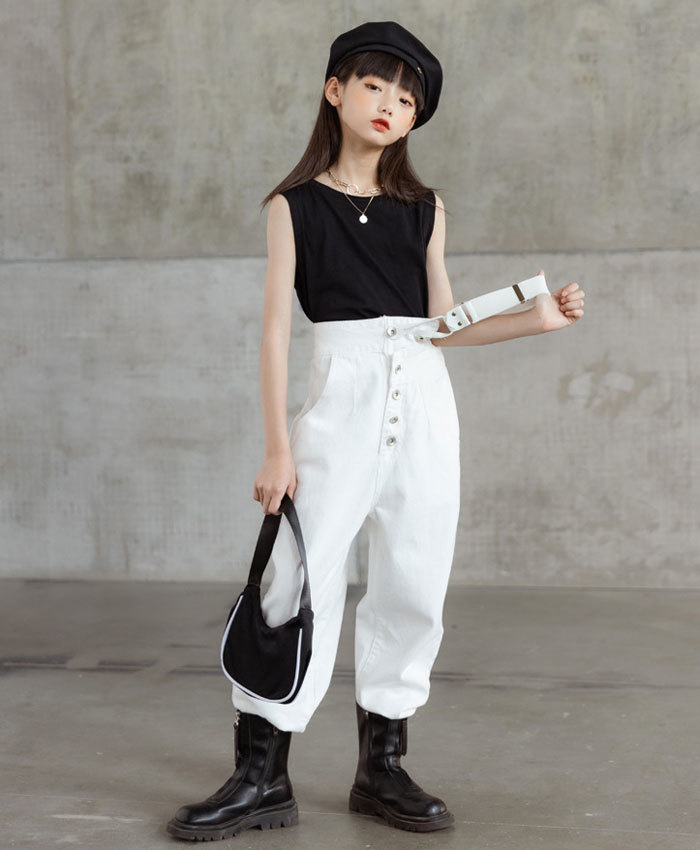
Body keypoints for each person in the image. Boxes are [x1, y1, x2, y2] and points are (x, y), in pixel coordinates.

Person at [167, 19, 585, 842]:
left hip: (424, 403)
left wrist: (538, 321)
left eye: (408, 98)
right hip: (341, 401)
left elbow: (443, 326)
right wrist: (278, 447)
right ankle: (261, 775)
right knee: (294, 580)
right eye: (375, 85)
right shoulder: (293, 207)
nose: (391, 104)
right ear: (335, 90)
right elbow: (274, 334)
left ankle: (381, 769)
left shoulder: (425, 209)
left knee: (413, 579)